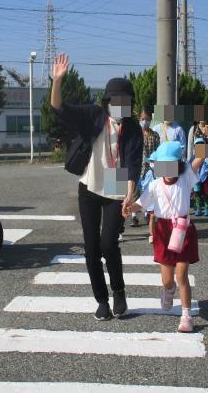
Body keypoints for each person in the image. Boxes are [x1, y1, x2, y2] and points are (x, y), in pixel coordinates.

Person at [50, 54, 143, 321]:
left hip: (115, 185)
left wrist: (129, 194)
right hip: (90, 185)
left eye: (125, 102)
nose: (120, 106)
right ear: (108, 101)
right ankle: (101, 300)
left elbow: (134, 163)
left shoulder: (133, 128)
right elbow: (58, 107)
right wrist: (57, 81)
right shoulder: (93, 115)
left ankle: (119, 291)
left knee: (108, 244)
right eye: (115, 101)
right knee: (91, 247)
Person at [126, 140, 204, 333]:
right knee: (168, 280)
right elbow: (141, 204)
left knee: (181, 276)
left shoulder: (186, 176)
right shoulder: (154, 185)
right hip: (163, 231)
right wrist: (129, 208)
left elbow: (201, 158)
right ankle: (168, 290)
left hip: (183, 228)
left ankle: (186, 315)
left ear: (178, 164)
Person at [130, 108, 160, 228]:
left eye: (147, 119)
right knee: (134, 192)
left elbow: (158, 151)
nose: (144, 121)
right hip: (137, 168)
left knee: (149, 192)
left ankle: (148, 214)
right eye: (142, 119)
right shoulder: (134, 134)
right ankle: (133, 216)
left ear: (150, 120)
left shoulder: (155, 135)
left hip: (151, 169)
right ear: (139, 119)